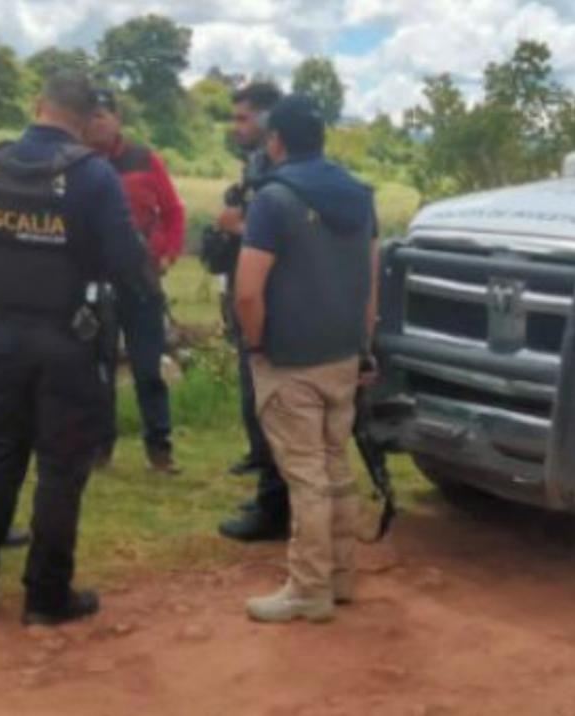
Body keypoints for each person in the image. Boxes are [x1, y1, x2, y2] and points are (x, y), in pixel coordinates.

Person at [0, 71, 161, 626]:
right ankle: (46, 597)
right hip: (70, 339)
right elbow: (128, 263)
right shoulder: (94, 176)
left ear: (37, 106)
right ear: (85, 123)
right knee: (61, 470)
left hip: (0, 334)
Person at [234, 95, 379, 623]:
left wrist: (255, 345)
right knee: (336, 466)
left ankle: (308, 588)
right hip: (341, 353)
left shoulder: (273, 199)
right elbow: (370, 281)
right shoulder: (361, 197)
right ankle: (340, 577)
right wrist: (364, 344)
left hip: (288, 359)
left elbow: (249, 292)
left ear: (276, 142)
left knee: (306, 477)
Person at [84, 89, 185, 475]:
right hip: (95, 278)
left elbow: (174, 212)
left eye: (103, 115)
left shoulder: (144, 159)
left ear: (117, 120)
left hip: (142, 279)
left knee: (148, 367)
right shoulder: (77, 162)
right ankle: (99, 448)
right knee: (98, 368)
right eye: (91, 115)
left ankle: (159, 450)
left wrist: (169, 253)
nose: (98, 122)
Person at [214, 82, 294, 543]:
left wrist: (237, 226)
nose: (236, 126)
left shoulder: (282, 173)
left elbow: (285, 241)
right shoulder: (257, 166)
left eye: (244, 118)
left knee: (271, 405)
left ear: (269, 121)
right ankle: (272, 497)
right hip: (256, 293)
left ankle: (274, 510)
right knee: (258, 402)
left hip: (276, 300)